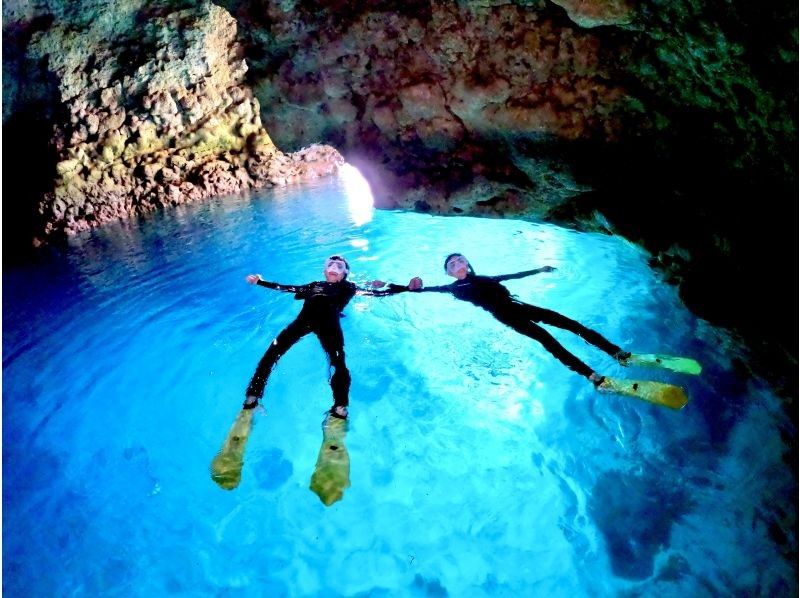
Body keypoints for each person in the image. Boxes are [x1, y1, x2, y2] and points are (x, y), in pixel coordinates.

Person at [243, 255, 422, 419]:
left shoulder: (348, 287)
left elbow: (377, 293)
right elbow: (289, 288)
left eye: (339, 265)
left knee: (338, 363)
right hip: (302, 321)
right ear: (325, 270)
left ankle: (340, 407)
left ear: (345, 272)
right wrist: (260, 282)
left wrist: (406, 288)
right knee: (272, 351)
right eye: (331, 263)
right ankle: (252, 398)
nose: (334, 265)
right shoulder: (314, 285)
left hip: (329, 325)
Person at [414, 253, 630, 387]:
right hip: (508, 317)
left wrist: (539, 270)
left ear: (468, 263)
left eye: (460, 259)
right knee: (550, 342)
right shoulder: (453, 288)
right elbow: (426, 290)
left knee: (572, 325)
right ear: (449, 273)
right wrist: (407, 287)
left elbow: (512, 276)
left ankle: (615, 352)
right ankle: (591, 375)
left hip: (520, 306)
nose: (457, 263)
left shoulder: (483, 278)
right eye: (452, 264)